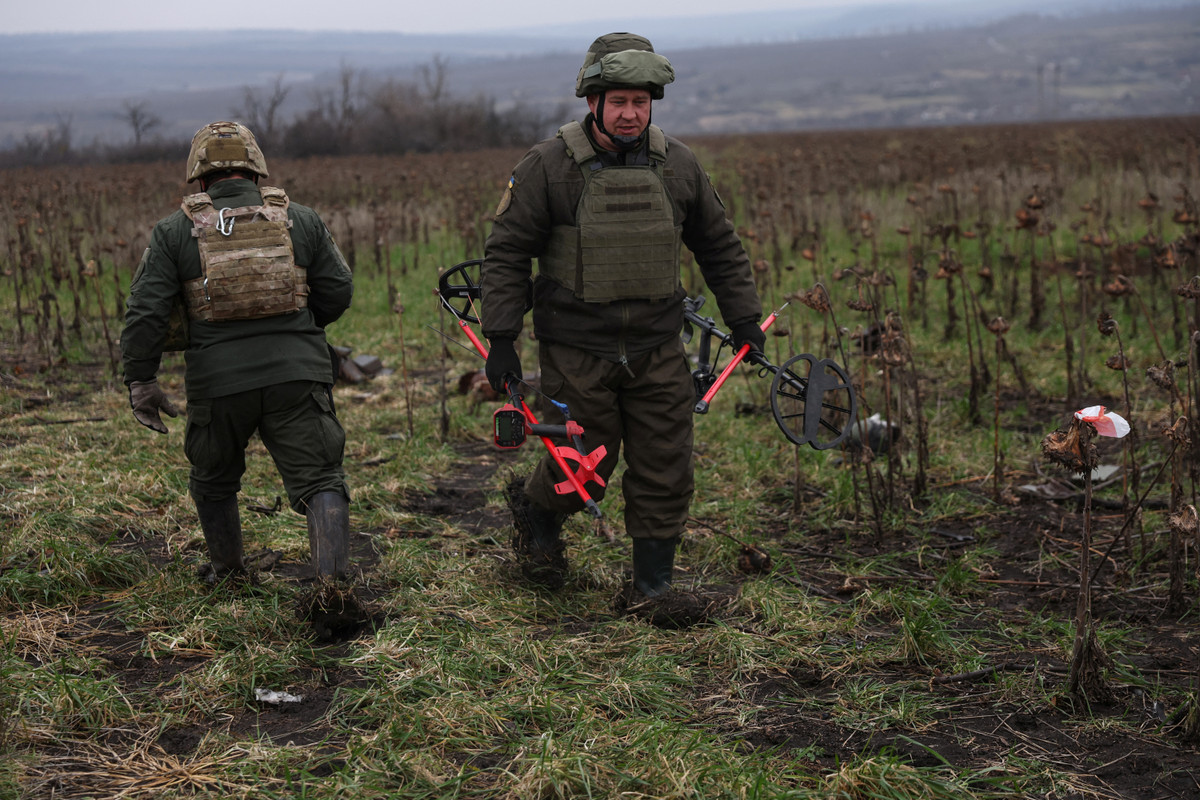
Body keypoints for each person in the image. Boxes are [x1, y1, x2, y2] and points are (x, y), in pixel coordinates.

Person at [479, 33, 764, 616]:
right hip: (576, 347)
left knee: (666, 461)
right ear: (593, 102)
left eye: (641, 101)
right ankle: (536, 512)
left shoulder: (678, 164)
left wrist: (744, 318)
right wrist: (501, 339)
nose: (631, 113)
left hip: (659, 344)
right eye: (619, 102)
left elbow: (719, 245)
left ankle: (650, 590)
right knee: (586, 462)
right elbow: (507, 253)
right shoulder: (548, 167)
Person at [120, 120, 355, 590]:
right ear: (256, 172)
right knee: (322, 479)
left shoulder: (173, 232)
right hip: (297, 378)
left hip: (217, 384)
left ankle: (228, 574)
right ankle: (333, 590)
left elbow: (145, 311)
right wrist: (302, 333)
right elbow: (338, 290)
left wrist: (142, 381)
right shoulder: (300, 219)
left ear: (200, 179)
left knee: (213, 478)